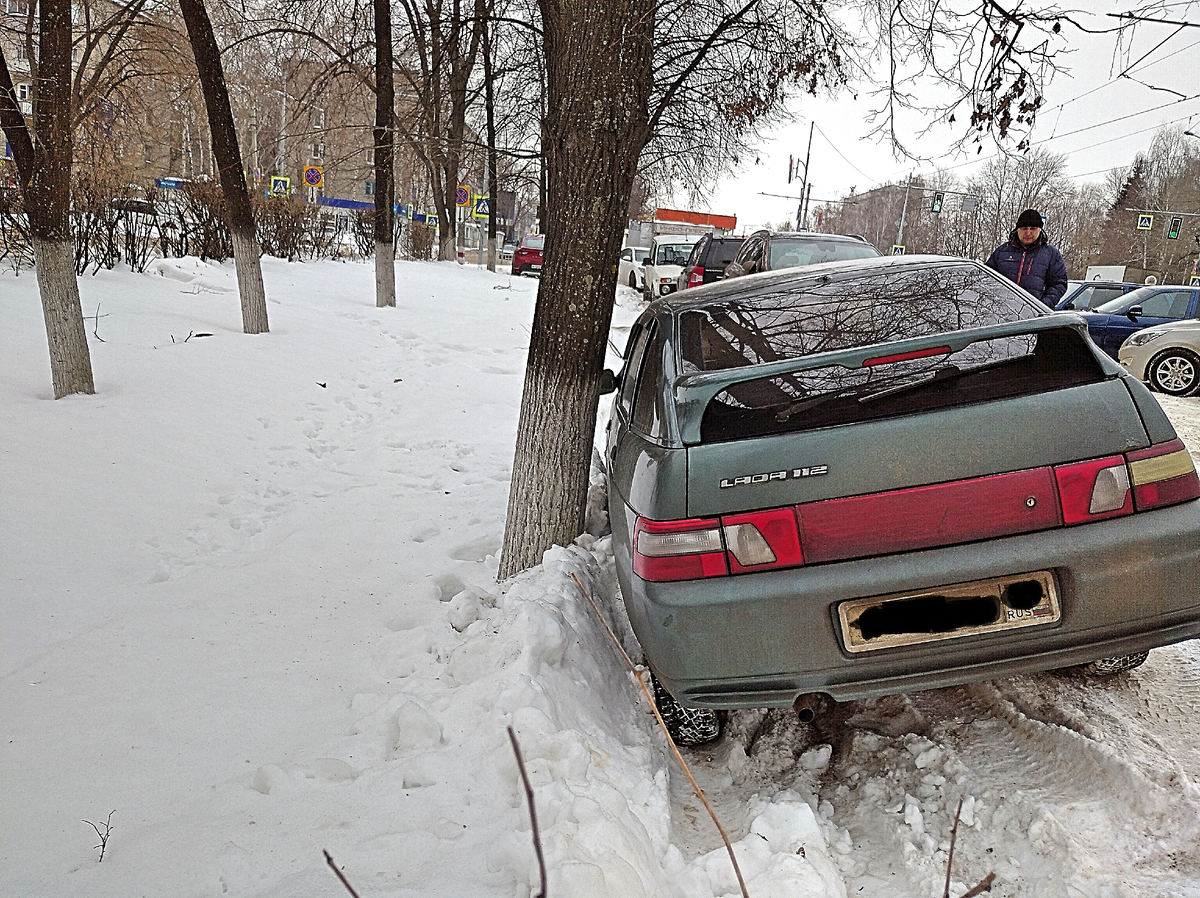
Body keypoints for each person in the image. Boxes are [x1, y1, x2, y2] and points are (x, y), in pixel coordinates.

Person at [985, 209, 1069, 308]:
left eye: (1032, 228)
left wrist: (1042, 306)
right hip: (1001, 312)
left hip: (1033, 316)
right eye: (1024, 228)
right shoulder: (1002, 251)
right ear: (1018, 229)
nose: (1028, 233)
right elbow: (986, 278)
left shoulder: (1050, 254)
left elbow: (1059, 284)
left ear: (1040, 229)